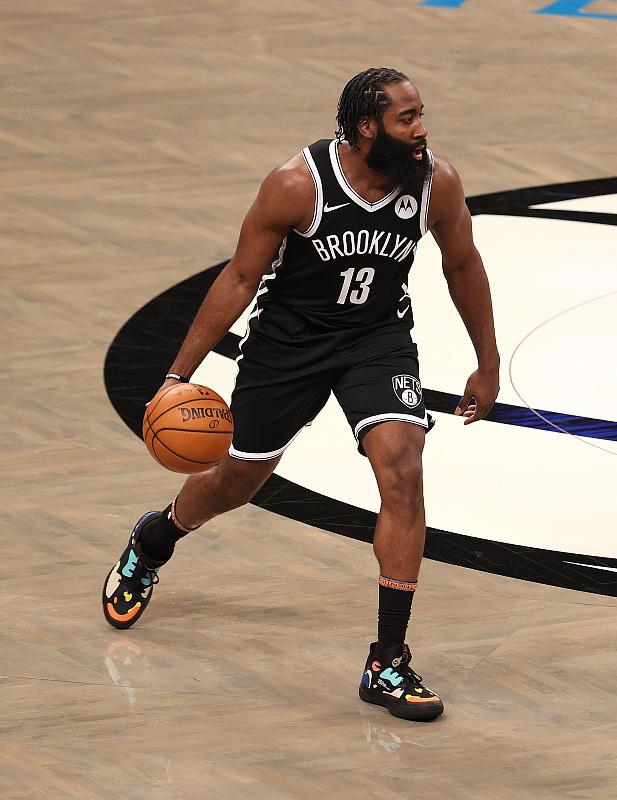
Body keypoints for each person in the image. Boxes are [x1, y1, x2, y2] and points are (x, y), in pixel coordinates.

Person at [102, 67, 500, 723]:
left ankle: (387, 660)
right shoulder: (297, 185)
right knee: (237, 482)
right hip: (287, 346)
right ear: (366, 127)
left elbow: (462, 264)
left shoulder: (437, 182)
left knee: (402, 470)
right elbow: (238, 279)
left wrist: (487, 362)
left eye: (421, 114)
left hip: (376, 340)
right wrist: (176, 376)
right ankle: (156, 537)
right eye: (406, 118)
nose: (421, 129)